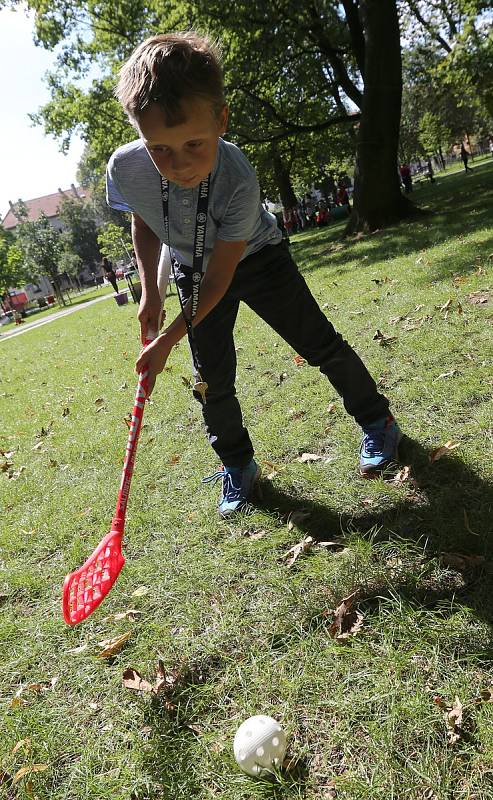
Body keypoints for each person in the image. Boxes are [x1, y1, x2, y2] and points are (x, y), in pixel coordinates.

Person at [106, 32, 402, 516]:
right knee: (212, 381)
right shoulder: (126, 167)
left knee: (320, 345)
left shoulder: (237, 175)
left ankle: (377, 420)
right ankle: (238, 466)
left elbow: (221, 281)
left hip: (258, 260)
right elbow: (143, 218)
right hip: (191, 270)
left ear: (221, 119)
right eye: (158, 147)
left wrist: (167, 341)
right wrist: (149, 293)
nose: (177, 164)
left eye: (193, 144)